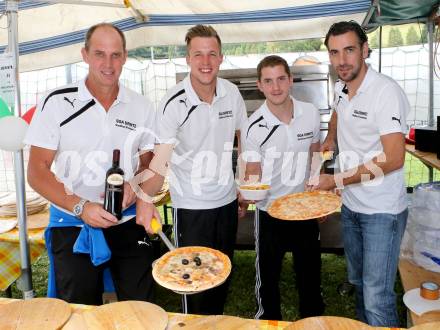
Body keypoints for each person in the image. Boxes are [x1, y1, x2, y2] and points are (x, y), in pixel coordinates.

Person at [24, 23, 157, 305]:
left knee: (141, 306)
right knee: (80, 310)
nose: (108, 64)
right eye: (99, 54)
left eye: (115, 55)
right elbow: (36, 172)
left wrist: (138, 185)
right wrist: (81, 207)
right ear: (84, 55)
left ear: (125, 57)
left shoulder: (141, 106)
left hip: (127, 219)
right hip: (72, 222)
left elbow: (150, 161)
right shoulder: (57, 102)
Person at [135, 24, 248, 315]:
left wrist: (243, 186)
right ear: (187, 59)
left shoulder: (232, 94)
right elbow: (160, 162)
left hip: (226, 203)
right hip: (191, 207)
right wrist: (145, 200)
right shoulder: (173, 103)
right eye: (198, 54)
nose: (206, 62)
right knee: (193, 284)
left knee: (221, 274)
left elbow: (243, 140)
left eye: (212, 54)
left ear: (222, 57)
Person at [309, 21, 409, 327]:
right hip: (352, 206)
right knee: (360, 284)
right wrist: (330, 139)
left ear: (365, 50)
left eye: (349, 50)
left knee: (377, 296)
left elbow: (393, 159)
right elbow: (339, 111)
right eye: (334, 52)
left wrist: (335, 180)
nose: (342, 60)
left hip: (382, 210)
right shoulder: (341, 87)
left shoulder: (385, 91)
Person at [241, 55, 325, 320]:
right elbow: (252, 173)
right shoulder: (252, 125)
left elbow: (315, 156)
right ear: (260, 85)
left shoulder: (310, 112)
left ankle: (312, 322)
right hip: (269, 212)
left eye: (280, 79)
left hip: (303, 210)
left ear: (290, 80)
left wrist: (317, 196)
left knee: (310, 274)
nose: (275, 87)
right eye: (268, 81)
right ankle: (268, 321)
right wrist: (247, 192)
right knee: (267, 278)